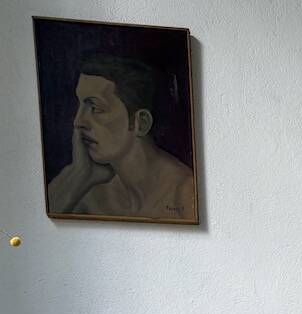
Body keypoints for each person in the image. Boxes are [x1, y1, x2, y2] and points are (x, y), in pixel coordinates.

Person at [47, 55, 196, 221]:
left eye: (95, 108)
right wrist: (78, 173)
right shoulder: (91, 196)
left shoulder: (186, 193)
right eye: (80, 106)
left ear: (141, 122)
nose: (78, 122)